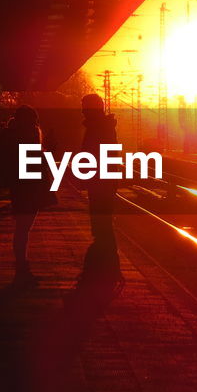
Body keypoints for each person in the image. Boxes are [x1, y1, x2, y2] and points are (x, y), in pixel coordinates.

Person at [0, 105, 48, 288]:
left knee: (22, 229)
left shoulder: (12, 137)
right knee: (23, 229)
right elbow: (32, 166)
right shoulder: (26, 138)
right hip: (28, 189)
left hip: (21, 188)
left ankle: (22, 267)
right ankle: (21, 268)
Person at [78, 93, 123, 287]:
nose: (82, 111)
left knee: (102, 226)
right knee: (102, 226)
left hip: (101, 183)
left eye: (85, 107)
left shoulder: (98, 128)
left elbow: (94, 155)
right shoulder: (102, 127)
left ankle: (109, 269)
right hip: (102, 182)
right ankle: (108, 268)